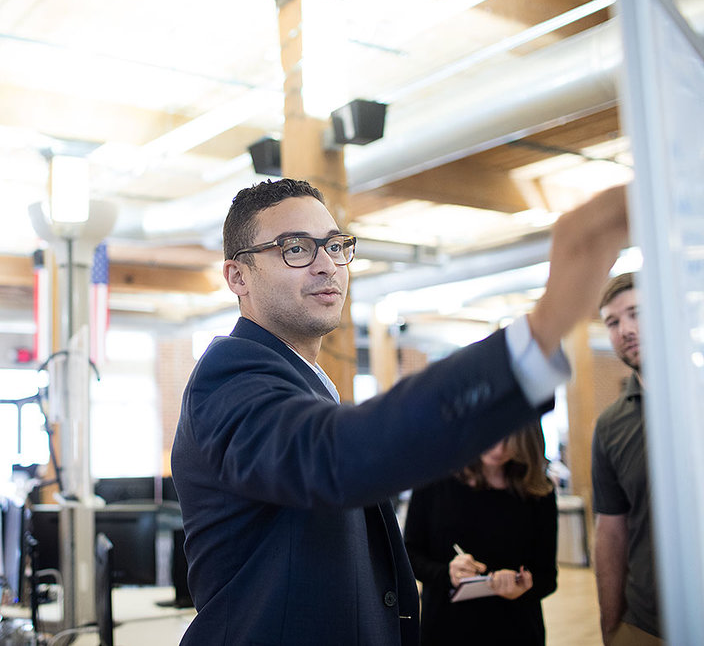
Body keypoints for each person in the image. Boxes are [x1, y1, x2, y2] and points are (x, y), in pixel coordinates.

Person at [171, 178, 627, 645]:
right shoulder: (230, 378)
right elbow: (336, 456)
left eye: (334, 245)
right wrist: (543, 328)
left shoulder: (302, 381)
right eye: (295, 248)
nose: (327, 265)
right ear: (237, 277)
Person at [404, 422, 558, 645]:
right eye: (492, 435)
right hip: (447, 629)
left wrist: (522, 583)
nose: (499, 450)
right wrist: (447, 573)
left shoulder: (537, 490)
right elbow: (409, 554)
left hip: (516, 630)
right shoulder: (434, 480)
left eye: (510, 441)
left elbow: (547, 577)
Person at [592, 272, 662, 645]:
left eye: (636, 314)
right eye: (613, 322)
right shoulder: (610, 425)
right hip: (646, 625)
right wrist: (611, 628)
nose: (626, 329)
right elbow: (610, 531)